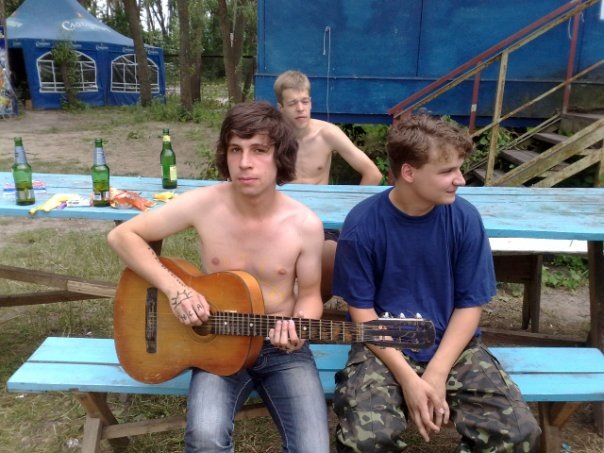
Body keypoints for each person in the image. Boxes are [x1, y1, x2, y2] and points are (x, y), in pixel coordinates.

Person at [107, 101, 330, 453]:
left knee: (313, 449)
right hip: (216, 341)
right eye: (235, 149)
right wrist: (176, 291)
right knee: (205, 438)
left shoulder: (305, 224)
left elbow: (311, 295)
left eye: (259, 150)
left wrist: (300, 327)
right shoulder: (204, 203)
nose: (244, 163)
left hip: (280, 348)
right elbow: (123, 236)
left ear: (280, 156)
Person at [331, 114, 541, 452]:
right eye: (447, 171)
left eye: (459, 168)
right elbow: (363, 314)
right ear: (409, 172)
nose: (460, 179)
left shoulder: (464, 219)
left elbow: (470, 305)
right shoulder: (362, 225)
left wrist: (437, 372)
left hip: (453, 345)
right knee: (365, 441)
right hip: (384, 347)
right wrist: (408, 378)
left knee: (517, 433)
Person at [274, 70, 383, 302]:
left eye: (305, 101)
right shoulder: (271, 138)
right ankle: (278, 306)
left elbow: (372, 174)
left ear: (311, 102)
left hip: (322, 222)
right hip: (281, 218)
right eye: (292, 103)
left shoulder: (328, 133)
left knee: (332, 256)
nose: (300, 109)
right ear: (281, 107)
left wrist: (350, 216)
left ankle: (310, 306)